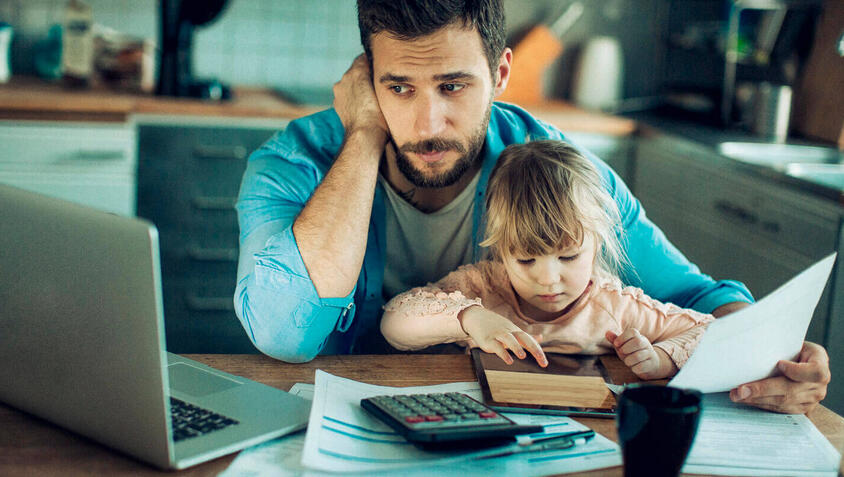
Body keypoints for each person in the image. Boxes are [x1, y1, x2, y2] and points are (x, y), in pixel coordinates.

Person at [234, 0, 829, 413]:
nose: (427, 124)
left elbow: (697, 297)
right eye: (399, 87)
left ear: (499, 73)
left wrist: (769, 356)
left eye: (453, 86)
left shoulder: (551, 168)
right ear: (367, 80)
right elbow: (286, 334)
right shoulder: (295, 163)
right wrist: (363, 135)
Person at [380, 140, 715, 380]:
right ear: (501, 249)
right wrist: (469, 318)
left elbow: (711, 332)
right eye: (526, 261)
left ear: (597, 244)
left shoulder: (616, 307)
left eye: (568, 256)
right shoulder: (482, 286)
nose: (549, 279)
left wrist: (661, 359)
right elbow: (393, 324)